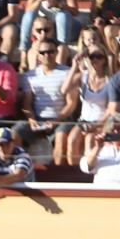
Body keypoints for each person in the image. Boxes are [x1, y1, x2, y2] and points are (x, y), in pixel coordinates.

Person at [18, 37, 72, 167]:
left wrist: (56, 121)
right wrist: (31, 119)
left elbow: (71, 104)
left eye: (51, 51)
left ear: (56, 53)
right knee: (16, 132)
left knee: (60, 135)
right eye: (43, 52)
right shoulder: (30, 76)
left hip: (61, 119)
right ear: (38, 55)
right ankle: (18, 168)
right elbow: (27, 103)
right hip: (38, 119)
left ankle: (57, 175)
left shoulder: (67, 73)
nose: (47, 55)